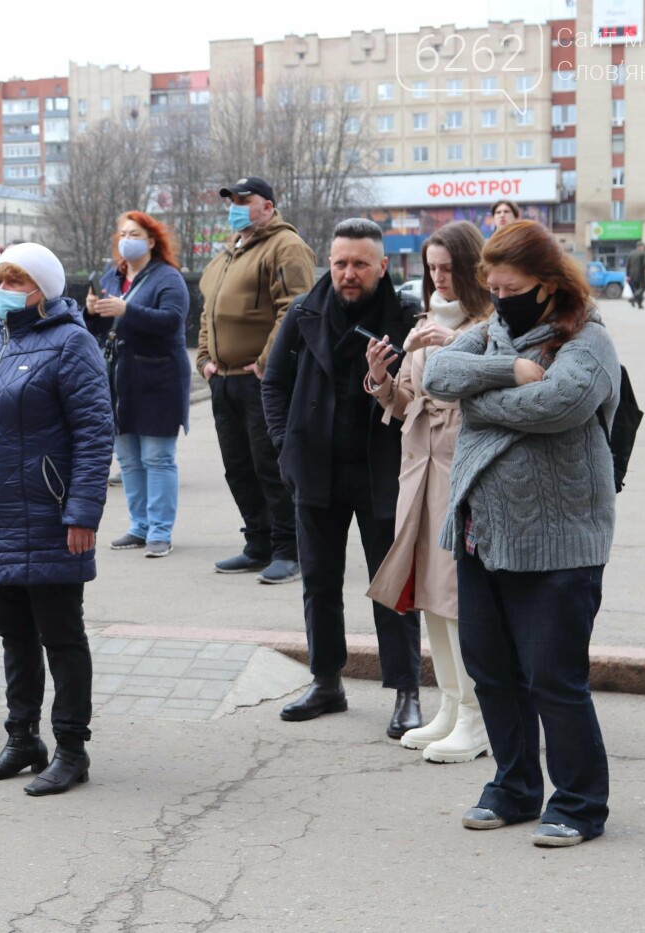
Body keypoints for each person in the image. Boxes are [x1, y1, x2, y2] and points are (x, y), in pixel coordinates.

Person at [424, 219, 620, 848]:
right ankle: (514, 788)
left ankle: (580, 803)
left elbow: (560, 405)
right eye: (493, 285)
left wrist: (478, 402)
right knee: (494, 673)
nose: (500, 296)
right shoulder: (494, 335)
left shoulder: (587, 338)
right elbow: (435, 375)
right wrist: (509, 371)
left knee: (553, 679)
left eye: (511, 287)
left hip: (560, 543)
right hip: (484, 534)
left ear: (546, 283)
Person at [0, 242, 112, 797]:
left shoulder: (71, 342)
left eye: (18, 279)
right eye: (0, 278)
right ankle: (22, 740)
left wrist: (82, 511)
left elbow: (94, 432)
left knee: (61, 636)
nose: (4, 288)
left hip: (50, 515)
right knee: (13, 634)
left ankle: (71, 748)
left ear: (46, 288)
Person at [260, 218, 423, 738]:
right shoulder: (307, 310)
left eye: (359, 264)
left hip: (383, 471)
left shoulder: (404, 317)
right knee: (319, 582)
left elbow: (420, 397)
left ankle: (406, 690)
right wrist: (286, 447)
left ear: (381, 266)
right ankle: (326, 681)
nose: (348, 274)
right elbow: (274, 382)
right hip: (315, 468)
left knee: (392, 586)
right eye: (339, 263)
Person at [364, 222, 492, 764]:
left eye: (448, 268)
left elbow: (499, 388)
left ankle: (477, 716)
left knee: (458, 597)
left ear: (471, 270)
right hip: (418, 473)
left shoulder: (491, 324)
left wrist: (458, 346)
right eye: (432, 268)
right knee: (428, 598)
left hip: (462, 474)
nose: (439, 278)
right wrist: (380, 379)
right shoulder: (424, 321)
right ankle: (450, 703)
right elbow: (406, 403)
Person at [197, 176, 315, 582]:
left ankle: (289, 548)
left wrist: (267, 362)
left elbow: (295, 309)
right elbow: (206, 312)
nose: (235, 205)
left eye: (244, 200)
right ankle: (258, 544)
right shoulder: (228, 253)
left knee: (270, 465)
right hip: (224, 380)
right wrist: (204, 360)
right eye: (231, 199)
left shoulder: (286, 246)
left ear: (267, 206)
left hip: (260, 380)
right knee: (238, 466)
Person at [86, 211, 190, 558]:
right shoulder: (112, 277)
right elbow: (100, 330)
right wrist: (92, 311)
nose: (125, 239)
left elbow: (172, 320)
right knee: (128, 458)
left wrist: (126, 310)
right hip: (119, 380)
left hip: (159, 379)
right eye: (122, 233)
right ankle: (139, 526)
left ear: (150, 241)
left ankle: (160, 531)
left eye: (133, 233)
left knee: (158, 457)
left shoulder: (167, 277)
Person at [625, 242, 645, 309]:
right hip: (640, 274)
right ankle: (633, 299)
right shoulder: (643, 254)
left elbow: (627, 265)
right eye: (643, 247)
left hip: (632, 275)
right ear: (640, 247)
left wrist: (628, 275)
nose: (644, 248)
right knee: (642, 288)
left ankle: (639, 305)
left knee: (636, 290)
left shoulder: (631, 254)